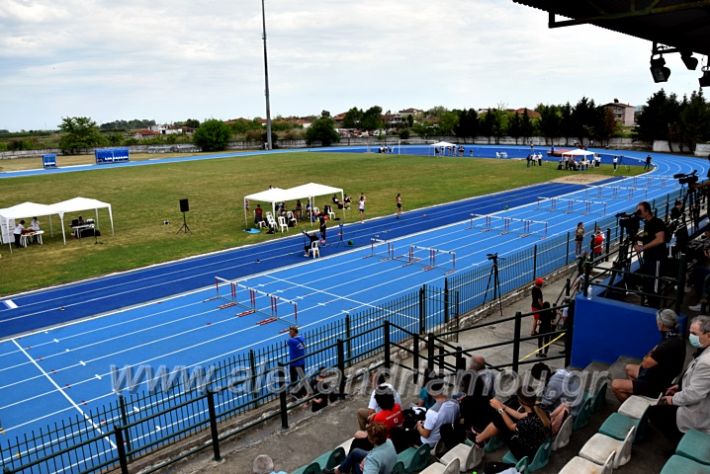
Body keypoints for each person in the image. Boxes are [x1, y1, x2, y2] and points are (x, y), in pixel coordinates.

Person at [647, 316, 710, 443]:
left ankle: (682, 443)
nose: (691, 336)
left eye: (694, 333)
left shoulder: (706, 362)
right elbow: (697, 379)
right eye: (690, 332)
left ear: (708, 335)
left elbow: (695, 393)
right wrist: (680, 386)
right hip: (693, 400)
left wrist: (673, 399)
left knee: (654, 413)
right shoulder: (703, 351)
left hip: (698, 412)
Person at [611, 309, 686, 402]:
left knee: (615, 385)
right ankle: (636, 394)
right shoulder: (677, 337)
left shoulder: (667, 345)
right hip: (662, 374)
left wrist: (649, 354)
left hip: (655, 384)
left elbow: (645, 364)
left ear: (661, 325)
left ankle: (631, 405)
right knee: (629, 368)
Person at [472, 387, 551, 463]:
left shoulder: (525, 423)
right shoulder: (541, 409)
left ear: (521, 402)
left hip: (526, 453)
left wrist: (500, 409)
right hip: (537, 443)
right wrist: (503, 407)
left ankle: (478, 439)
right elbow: (519, 415)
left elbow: (511, 426)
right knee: (501, 419)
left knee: (500, 421)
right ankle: (480, 438)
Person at [325, 423, 397, 474]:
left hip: (378, 468)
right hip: (383, 462)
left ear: (373, 440)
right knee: (355, 452)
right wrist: (366, 458)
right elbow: (376, 453)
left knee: (354, 462)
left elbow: (374, 458)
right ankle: (337, 471)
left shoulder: (372, 460)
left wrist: (366, 463)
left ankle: (345, 471)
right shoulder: (388, 441)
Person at [530, 363, 582, 434]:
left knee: (541, 410)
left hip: (574, 408)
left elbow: (547, 402)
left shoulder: (553, 384)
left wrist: (534, 405)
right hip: (578, 398)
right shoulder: (559, 371)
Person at [635, 201, 668, 307]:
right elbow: (648, 237)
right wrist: (637, 239)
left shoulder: (657, 222)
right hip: (649, 259)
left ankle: (655, 308)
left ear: (647, 211)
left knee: (655, 285)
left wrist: (642, 247)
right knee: (648, 283)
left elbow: (660, 239)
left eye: (640, 211)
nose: (638, 213)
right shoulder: (647, 224)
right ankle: (649, 304)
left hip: (656, 259)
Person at [415, 377, 460, 447]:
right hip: (445, 438)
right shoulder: (455, 402)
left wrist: (419, 426)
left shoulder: (432, 412)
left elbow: (425, 435)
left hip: (430, 443)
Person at [287, 326, 307, 399]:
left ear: (294, 332)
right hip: (301, 361)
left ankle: (297, 394)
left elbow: (288, 343)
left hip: (294, 362)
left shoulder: (291, 341)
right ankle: (304, 392)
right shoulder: (301, 338)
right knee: (302, 377)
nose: (289, 333)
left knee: (293, 379)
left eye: (290, 332)